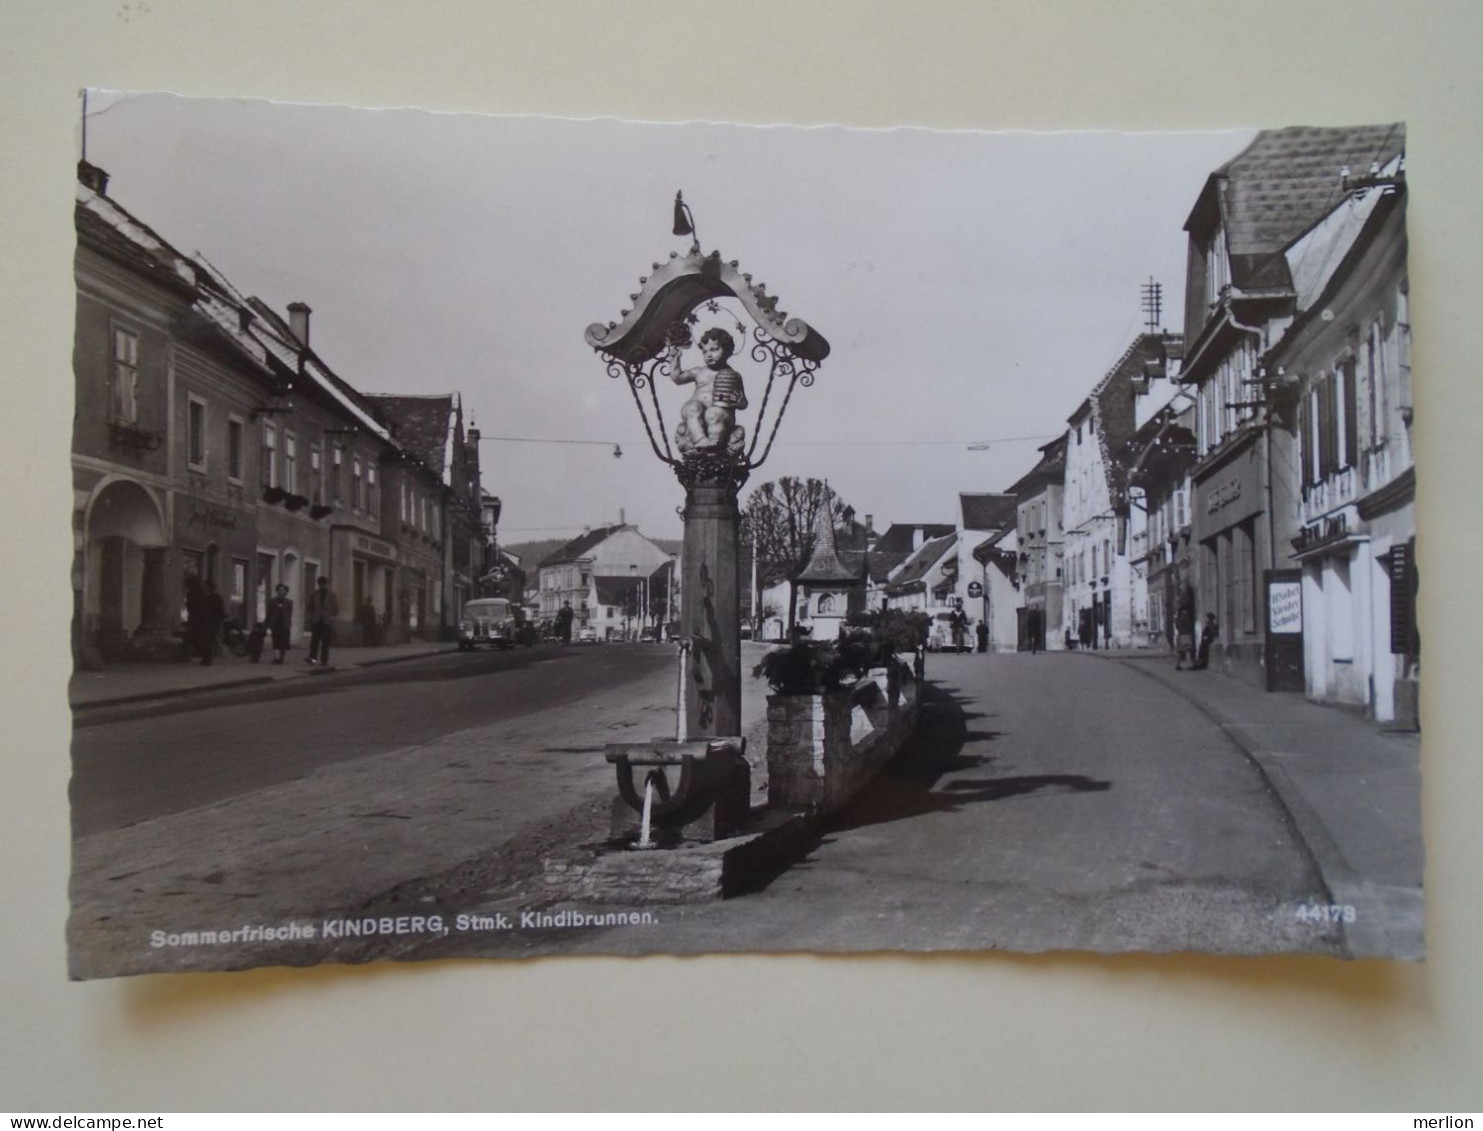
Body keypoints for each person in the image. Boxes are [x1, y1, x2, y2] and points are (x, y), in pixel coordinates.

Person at [671, 328, 748, 456]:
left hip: (721, 416)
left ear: (727, 350)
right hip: (696, 413)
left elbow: (744, 403)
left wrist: (740, 402)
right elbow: (678, 378)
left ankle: (714, 443)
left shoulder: (732, 375)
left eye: (714, 349)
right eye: (705, 351)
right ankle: (700, 439)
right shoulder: (698, 372)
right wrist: (675, 360)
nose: (709, 355)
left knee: (714, 413)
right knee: (692, 407)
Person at [305, 575, 339, 666]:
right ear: (318, 584)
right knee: (314, 641)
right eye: (320, 584)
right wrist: (310, 618)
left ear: (326, 584)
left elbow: (335, 608)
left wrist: (331, 616)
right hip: (316, 621)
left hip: (326, 621)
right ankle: (313, 659)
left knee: (326, 641)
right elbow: (310, 607)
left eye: (323, 584)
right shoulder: (314, 594)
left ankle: (324, 660)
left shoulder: (331, 595)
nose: (322, 586)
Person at [197, 579, 227, 665]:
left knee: (209, 640)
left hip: (213, 622)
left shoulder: (216, 597)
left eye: (205, 586)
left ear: (210, 587)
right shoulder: (202, 597)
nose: (203, 588)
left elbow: (220, 610)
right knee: (203, 639)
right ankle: (205, 657)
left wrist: (218, 620)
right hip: (203, 621)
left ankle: (208, 659)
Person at [265, 583, 294, 664]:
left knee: (284, 643)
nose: (281, 592)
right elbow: (269, 613)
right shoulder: (272, 601)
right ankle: (276, 658)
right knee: (276, 641)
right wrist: (267, 623)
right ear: (277, 591)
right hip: (275, 624)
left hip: (285, 625)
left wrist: (289, 623)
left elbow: (289, 614)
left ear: (285, 592)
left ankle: (281, 657)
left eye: (283, 590)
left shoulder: (289, 602)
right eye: (279, 590)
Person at [1174, 602, 1196, 671]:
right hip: (1186, 634)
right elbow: (1189, 625)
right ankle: (1190, 665)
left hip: (1180, 635)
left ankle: (1178, 665)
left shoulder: (1178, 617)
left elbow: (1177, 626)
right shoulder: (1186, 616)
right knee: (1188, 650)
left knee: (1180, 651)